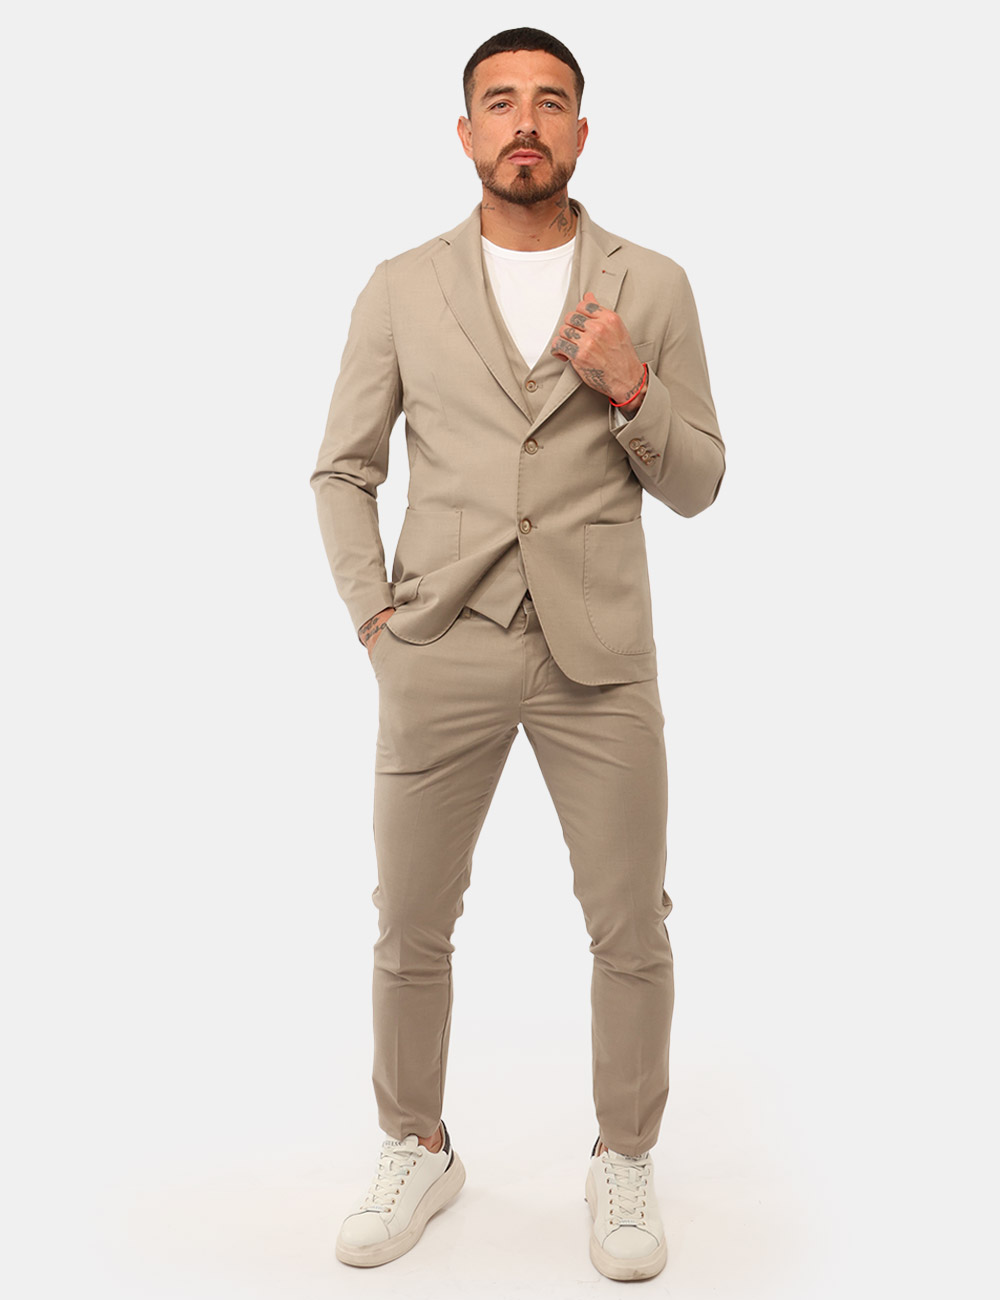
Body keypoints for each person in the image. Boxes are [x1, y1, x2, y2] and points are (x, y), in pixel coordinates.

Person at [309, 26, 725, 1282]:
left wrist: (632, 386)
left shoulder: (652, 283)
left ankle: (623, 1156)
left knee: (631, 922)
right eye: (500, 102)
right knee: (409, 921)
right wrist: (375, 620)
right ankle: (417, 1142)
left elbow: (700, 481)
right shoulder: (401, 285)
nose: (524, 122)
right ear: (466, 132)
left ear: (581, 132)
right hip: (440, 643)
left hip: (601, 656)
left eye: (549, 102)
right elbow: (343, 469)